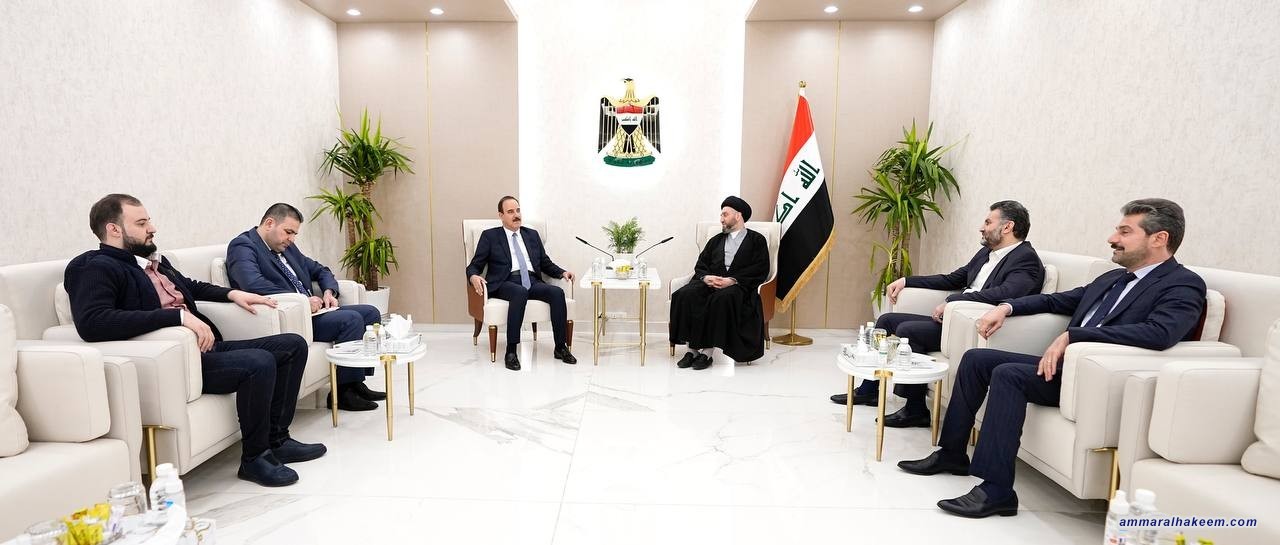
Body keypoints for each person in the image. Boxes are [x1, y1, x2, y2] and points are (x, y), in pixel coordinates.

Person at [897, 198, 1205, 518]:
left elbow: (1160, 333)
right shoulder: (1113, 278)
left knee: (1008, 374)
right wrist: (1007, 307)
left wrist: (1074, 337)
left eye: (1125, 232)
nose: (1112, 238)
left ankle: (996, 491)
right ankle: (951, 453)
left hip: (1100, 378)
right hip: (1064, 368)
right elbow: (1057, 301)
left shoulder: (1183, 284)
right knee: (977, 359)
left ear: (1159, 238)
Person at [65, 194, 324, 487]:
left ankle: (278, 440)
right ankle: (255, 458)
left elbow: (189, 286)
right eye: (141, 223)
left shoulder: (152, 262)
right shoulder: (94, 267)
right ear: (113, 229)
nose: (152, 228)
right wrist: (177, 318)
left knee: (292, 345)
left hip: (207, 348)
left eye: (149, 221)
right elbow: (93, 323)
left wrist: (232, 294)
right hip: (178, 361)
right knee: (259, 362)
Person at [831, 200, 1044, 428]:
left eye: (988, 222)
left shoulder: (1026, 259)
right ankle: (869, 390)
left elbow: (1006, 293)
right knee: (886, 320)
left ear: (1007, 227)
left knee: (909, 330)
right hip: (954, 318)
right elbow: (953, 278)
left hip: (971, 325)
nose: (982, 228)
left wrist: (953, 301)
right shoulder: (986, 253)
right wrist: (907, 281)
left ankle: (915, 410)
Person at [226, 203, 386, 412]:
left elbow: (320, 270)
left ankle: (357, 383)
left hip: (314, 310)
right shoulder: (243, 246)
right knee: (351, 320)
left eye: (294, 234)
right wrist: (301, 300)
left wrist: (329, 292)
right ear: (269, 223)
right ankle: (343, 393)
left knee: (370, 313)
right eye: (288, 232)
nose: (292, 239)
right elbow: (252, 284)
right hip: (293, 316)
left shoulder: (288, 248)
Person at [465, 195, 576, 370]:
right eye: (510, 212)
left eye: (517, 210)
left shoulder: (532, 234)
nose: (516, 215)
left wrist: (562, 272)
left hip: (532, 280)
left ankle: (560, 347)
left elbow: (545, 262)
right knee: (519, 292)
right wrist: (473, 276)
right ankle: (511, 351)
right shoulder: (490, 236)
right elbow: (474, 265)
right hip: (505, 282)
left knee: (557, 293)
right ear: (501, 215)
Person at [669, 196, 770, 369]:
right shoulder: (715, 240)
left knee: (721, 299)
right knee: (684, 294)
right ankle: (692, 351)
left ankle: (707, 353)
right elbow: (701, 265)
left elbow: (761, 268)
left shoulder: (757, 240)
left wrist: (732, 280)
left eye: (725, 214)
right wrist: (705, 278)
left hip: (739, 286)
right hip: (711, 282)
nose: (721, 219)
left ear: (738, 216)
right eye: (721, 215)